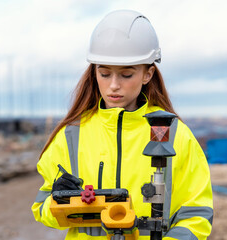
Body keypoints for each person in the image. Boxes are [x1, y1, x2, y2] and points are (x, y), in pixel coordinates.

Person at [32, 9, 213, 240]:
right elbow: (42, 210)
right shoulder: (71, 135)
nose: (113, 86)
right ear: (94, 72)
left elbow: (196, 213)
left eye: (126, 75)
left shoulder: (173, 134)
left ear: (147, 74)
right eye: (105, 74)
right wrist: (59, 200)